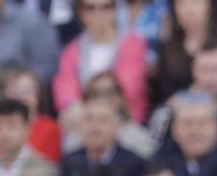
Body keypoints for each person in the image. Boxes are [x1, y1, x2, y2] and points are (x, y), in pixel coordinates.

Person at [53, 0, 150, 129]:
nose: (99, 13)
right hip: (83, 122)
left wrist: (96, 109)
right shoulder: (72, 50)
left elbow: (129, 86)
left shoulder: (134, 43)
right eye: (91, 8)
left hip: (125, 121)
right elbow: (65, 87)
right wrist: (74, 106)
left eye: (106, 7)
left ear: (115, 9)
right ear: (80, 12)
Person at [53, 96, 144, 176]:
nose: (95, 127)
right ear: (80, 126)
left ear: (116, 127)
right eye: (89, 120)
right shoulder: (71, 160)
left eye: (103, 120)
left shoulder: (134, 164)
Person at [153, 0, 217, 107]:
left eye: (195, 2)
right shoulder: (166, 48)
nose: (189, 10)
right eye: (182, 3)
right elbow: (161, 96)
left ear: (209, 5)